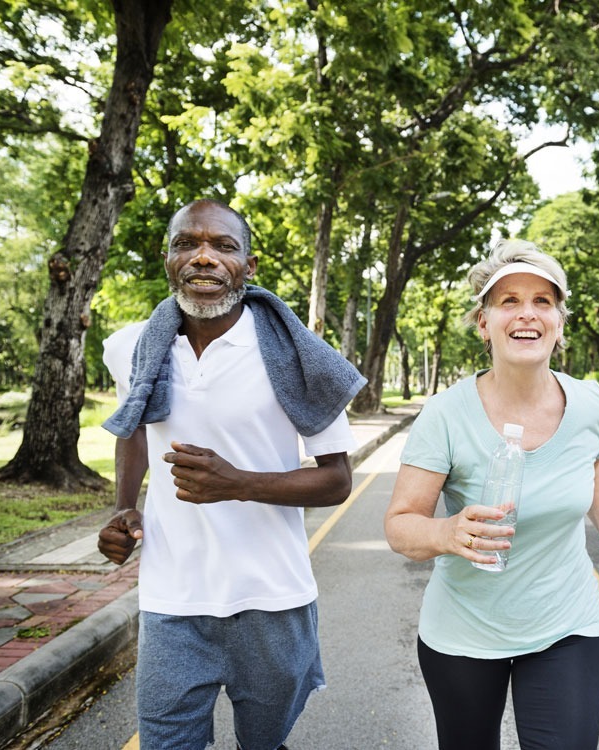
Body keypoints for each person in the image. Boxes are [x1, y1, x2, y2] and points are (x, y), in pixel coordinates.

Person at [97, 198, 366, 750]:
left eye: (222, 246)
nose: (203, 258)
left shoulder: (297, 356)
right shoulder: (131, 347)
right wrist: (126, 507)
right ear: (167, 257)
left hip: (272, 600)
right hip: (172, 599)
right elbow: (134, 427)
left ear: (249, 264)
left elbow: (338, 480)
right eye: (186, 244)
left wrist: (238, 484)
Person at [384, 239, 599, 750]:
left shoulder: (587, 402)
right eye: (509, 301)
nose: (528, 314)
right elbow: (400, 525)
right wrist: (447, 531)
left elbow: (590, 467)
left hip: (567, 623)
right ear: (484, 322)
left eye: (543, 301)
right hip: (464, 632)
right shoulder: (446, 415)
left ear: (559, 322)